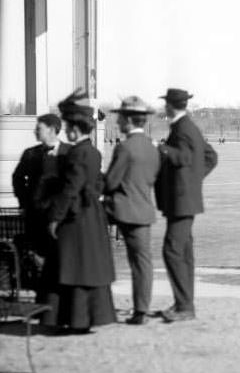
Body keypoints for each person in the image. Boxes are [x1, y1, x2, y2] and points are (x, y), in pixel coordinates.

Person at [46, 90, 116, 332]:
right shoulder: (93, 152)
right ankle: (88, 319)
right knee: (89, 267)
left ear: (75, 129)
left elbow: (70, 188)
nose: (66, 131)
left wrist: (55, 217)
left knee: (72, 266)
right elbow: (98, 183)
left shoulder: (76, 154)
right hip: (93, 215)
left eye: (68, 127)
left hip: (76, 218)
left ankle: (74, 320)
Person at [155, 88, 219, 323]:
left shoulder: (183, 128)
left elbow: (183, 157)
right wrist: (194, 179)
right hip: (184, 199)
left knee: (172, 250)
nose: (164, 108)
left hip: (181, 201)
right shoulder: (187, 126)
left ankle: (184, 306)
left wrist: (161, 148)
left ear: (170, 106)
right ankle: (184, 304)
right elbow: (211, 157)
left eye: (166, 105)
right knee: (184, 252)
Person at [103, 96, 161, 325]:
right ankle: (141, 309)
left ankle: (134, 310)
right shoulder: (152, 147)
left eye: (120, 118)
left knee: (131, 261)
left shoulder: (125, 148)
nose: (117, 122)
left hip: (123, 211)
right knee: (143, 263)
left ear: (128, 120)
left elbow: (110, 183)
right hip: (144, 210)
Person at [11, 113, 70, 300]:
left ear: (52, 130)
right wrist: (25, 202)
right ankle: (42, 299)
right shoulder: (30, 154)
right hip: (36, 216)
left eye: (39, 128)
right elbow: (17, 178)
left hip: (61, 217)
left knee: (61, 257)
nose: (35, 131)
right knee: (38, 258)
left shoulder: (69, 153)